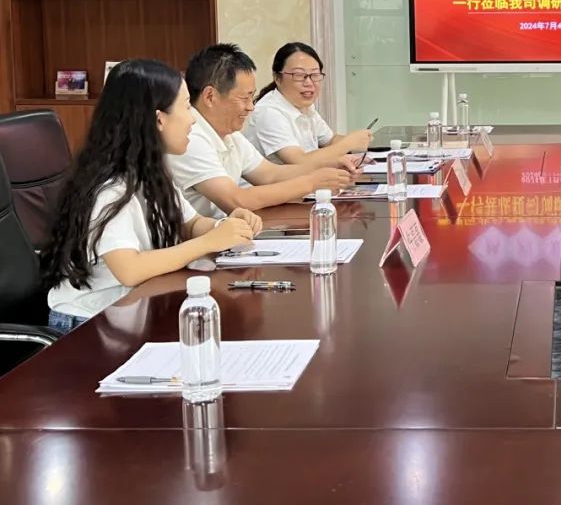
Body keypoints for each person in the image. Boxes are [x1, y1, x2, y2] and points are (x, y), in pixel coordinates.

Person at [41, 60, 263, 333]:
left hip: (132, 310)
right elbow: (129, 269)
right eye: (186, 107)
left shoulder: (151, 170)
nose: (193, 119)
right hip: (88, 324)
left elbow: (190, 223)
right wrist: (209, 241)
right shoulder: (111, 187)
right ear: (159, 119)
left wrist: (226, 226)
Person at [168, 44, 357, 218]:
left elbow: (270, 174)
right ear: (210, 96)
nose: (251, 107)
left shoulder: (229, 134)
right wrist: (311, 182)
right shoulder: (190, 138)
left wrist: (328, 167)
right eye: (244, 98)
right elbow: (236, 200)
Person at [246, 42, 372, 166]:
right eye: (299, 75)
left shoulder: (304, 106)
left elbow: (329, 141)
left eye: (315, 75)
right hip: (283, 179)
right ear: (277, 78)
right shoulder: (269, 112)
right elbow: (300, 162)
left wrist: (358, 141)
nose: (309, 83)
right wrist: (348, 144)